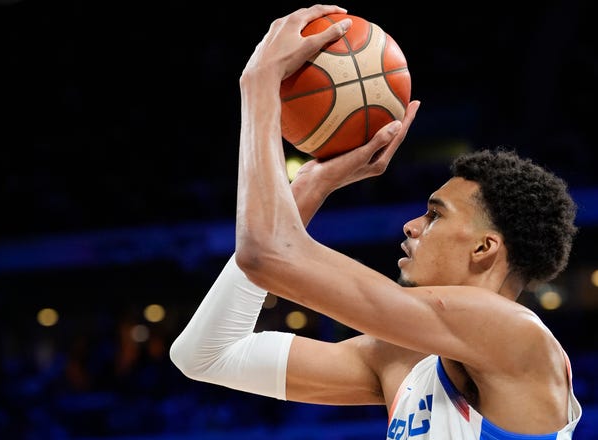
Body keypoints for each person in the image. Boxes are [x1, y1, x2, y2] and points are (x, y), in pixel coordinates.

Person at [170, 4, 582, 438]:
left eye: (434, 215)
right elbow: (206, 354)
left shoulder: (515, 336)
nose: (411, 226)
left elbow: (265, 253)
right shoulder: (401, 359)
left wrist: (260, 86)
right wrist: (309, 188)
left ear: (484, 248)